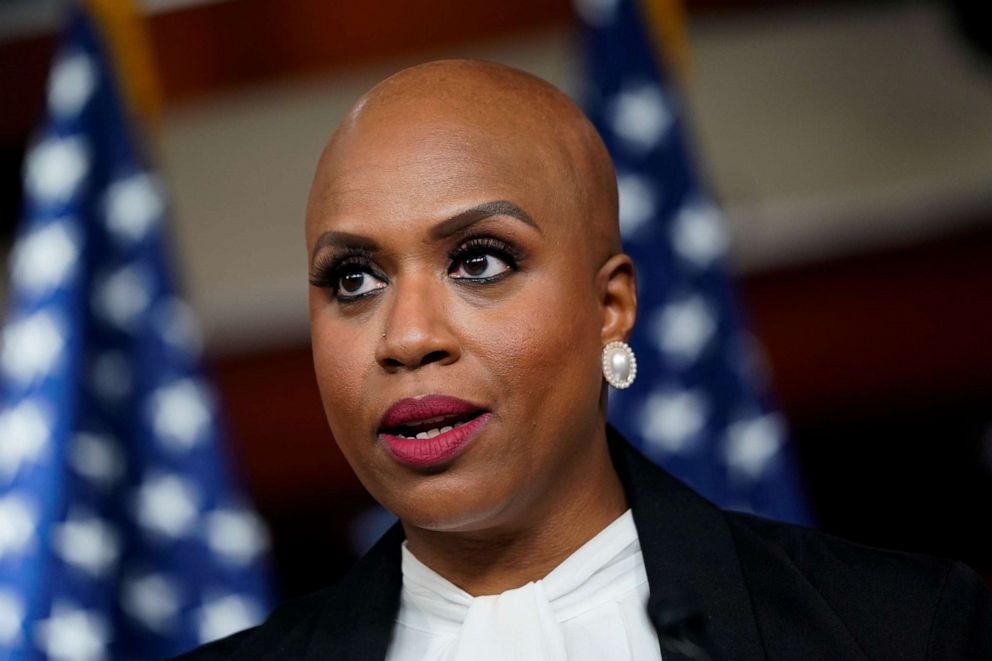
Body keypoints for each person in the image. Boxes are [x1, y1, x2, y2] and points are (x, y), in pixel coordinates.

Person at [177, 60, 992, 660]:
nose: (406, 336)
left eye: (479, 261)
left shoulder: (902, 630)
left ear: (610, 307)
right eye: (352, 278)